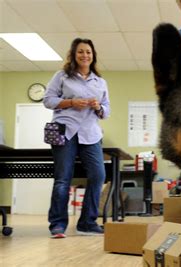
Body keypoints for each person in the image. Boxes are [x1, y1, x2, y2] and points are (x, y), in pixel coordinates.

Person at [43, 38, 110, 238]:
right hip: (66, 131)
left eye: (88, 52)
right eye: (80, 52)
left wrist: (99, 107)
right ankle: (57, 224)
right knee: (63, 179)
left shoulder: (100, 81)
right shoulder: (62, 76)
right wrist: (71, 102)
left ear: (93, 56)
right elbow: (48, 100)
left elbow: (107, 111)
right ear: (74, 54)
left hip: (91, 134)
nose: (85, 55)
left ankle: (87, 223)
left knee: (98, 175)